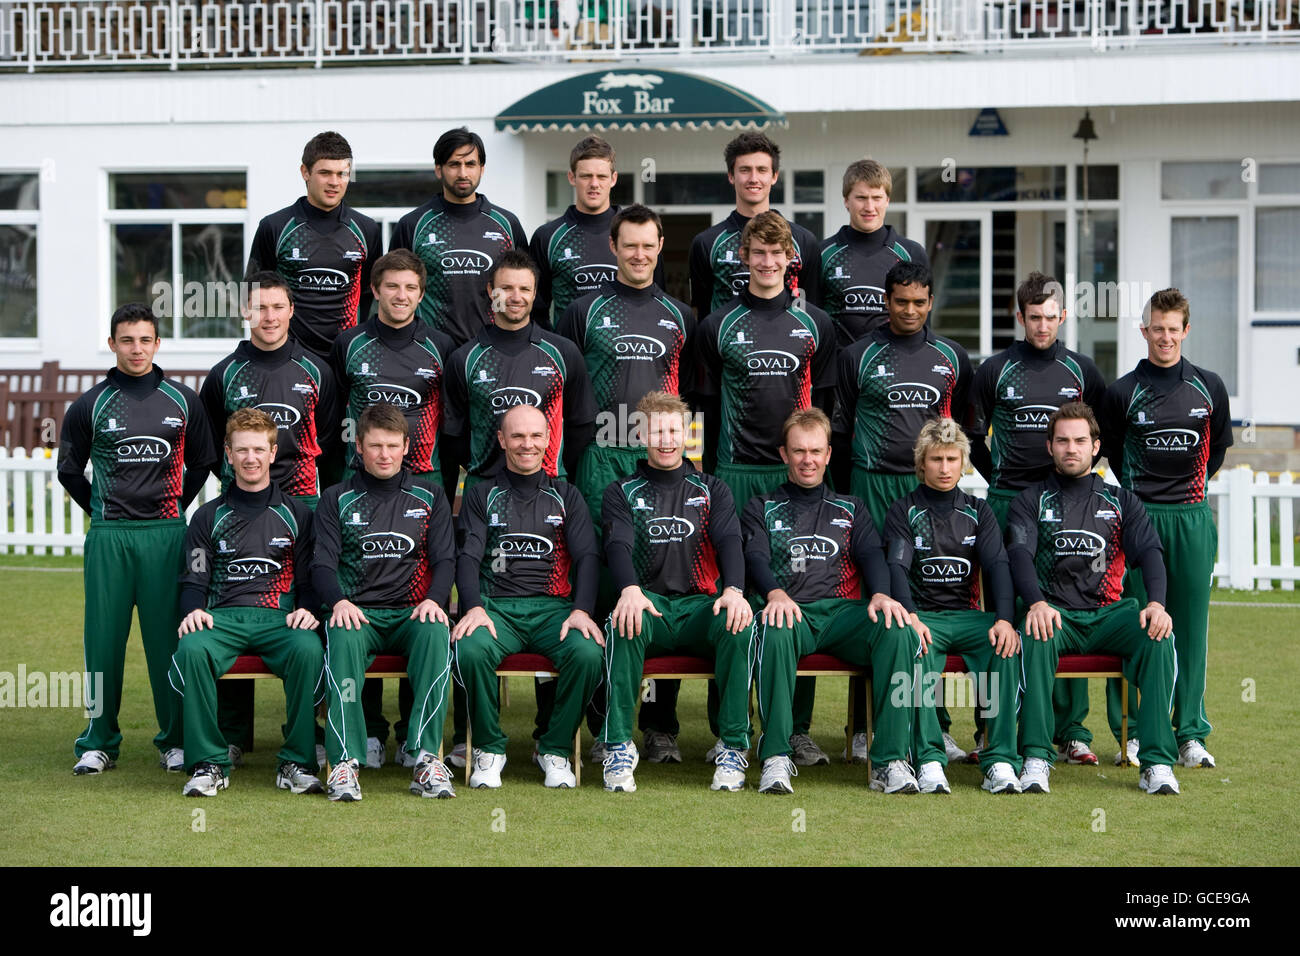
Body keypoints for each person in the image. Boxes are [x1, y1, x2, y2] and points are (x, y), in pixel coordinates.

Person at [553, 204, 696, 763]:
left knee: (663, 582)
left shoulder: (681, 315)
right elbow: (563, 391)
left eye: (649, 245)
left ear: (661, 247)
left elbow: (692, 400)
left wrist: (689, 460)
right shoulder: (582, 311)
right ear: (612, 247)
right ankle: (598, 726)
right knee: (603, 582)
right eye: (629, 245)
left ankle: (660, 725)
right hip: (600, 461)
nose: (639, 254)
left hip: (660, 459)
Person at [695, 210, 837, 767]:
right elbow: (704, 406)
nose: (769, 262)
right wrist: (705, 473)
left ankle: (796, 729)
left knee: (795, 594)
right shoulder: (718, 325)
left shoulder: (815, 324)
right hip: (734, 468)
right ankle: (725, 726)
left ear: (790, 260)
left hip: (795, 473)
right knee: (731, 595)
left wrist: (822, 469)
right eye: (759, 252)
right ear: (745, 257)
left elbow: (823, 410)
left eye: (778, 254)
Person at [59, 303, 218, 775]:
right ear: (112, 344)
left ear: (157, 343)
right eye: (127, 340)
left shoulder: (183, 400)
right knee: (103, 641)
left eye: (145, 339)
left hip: (166, 535)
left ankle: (174, 740)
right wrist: (103, 513)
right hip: (110, 537)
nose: (136, 348)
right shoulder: (90, 404)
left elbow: (204, 461)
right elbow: (69, 470)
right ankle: (98, 740)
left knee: (168, 641)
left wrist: (174, 506)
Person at [832, 261, 972, 764]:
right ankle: (865, 727)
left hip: (926, 490)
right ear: (886, 301)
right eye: (900, 301)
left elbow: (960, 430)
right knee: (876, 606)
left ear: (930, 302)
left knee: (930, 604)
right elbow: (842, 433)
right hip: (871, 487)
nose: (909, 310)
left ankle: (938, 725)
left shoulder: (952, 357)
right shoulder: (857, 355)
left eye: (919, 302)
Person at [965, 270, 1106, 766]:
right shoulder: (994, 369)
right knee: (1000, 613)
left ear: (1062, 316)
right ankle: (990, 727)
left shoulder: (1082, 370)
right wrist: (998, 476)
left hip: (1066, 504)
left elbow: (1097, 435)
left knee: (1068, 604)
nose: (1042, 326)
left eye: (1050, 317)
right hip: (1007, 502)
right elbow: (972, 433)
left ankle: (1072, 732)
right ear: (1019, 316)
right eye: (1033, 318)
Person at [200, 271, 340, 766]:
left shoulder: (318, 370)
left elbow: (328, 439)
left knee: (306, 610)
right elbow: (211, 440)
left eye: (277, 307)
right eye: (260, 308)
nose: (269, 317)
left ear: (290, 310)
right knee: (235, 597)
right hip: (238, 501)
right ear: (246, 312)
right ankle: (234, 734)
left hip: (300, 499)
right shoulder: (223, 375)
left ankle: (309, 730)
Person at [744, 408, 923, 795]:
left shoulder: (851, 508)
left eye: (815, 451)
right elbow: (755, 558)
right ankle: (775, 755)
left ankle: (889, 760)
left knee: (897, 631)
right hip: (791, 613)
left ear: (828, 454)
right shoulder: (761, 507)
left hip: (842, 614)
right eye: (798, 451)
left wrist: (879, 594)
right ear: (783, 455)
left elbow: (873, 555)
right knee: (773, 627)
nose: (807, 459)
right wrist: (774, 593)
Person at [1007, 402, 1181, 795]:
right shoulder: (1029, 501)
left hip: (1108, 617)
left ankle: (1156, 763)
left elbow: (1150, 554)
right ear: (1049, 446)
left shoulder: (1122, 502)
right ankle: (1035, 757)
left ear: (1096, 446)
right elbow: (1019, 556)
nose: (1072, 448)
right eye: (1063, 440)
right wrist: (1035, 602)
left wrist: (1156, 604)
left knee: (1159, 636)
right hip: (1055, 616)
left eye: (1080, 440)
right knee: (1033, 633)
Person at [329, 249, 457, 769]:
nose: (400, 295)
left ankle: (413, 736)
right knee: (364, 591)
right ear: (375, 291)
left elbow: (451, 423)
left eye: (410, 287)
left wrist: (444, 482)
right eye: (391, 286)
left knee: (418, 604)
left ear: (420, 293)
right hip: (361, 478)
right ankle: (371, 732)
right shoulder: (348, 344)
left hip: (423, 479)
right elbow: (332, 413)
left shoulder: (441, 346)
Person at [1099, 288, 1232, 770]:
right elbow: (1111, 452)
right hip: (1137, 515)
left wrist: (1184, 492)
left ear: (1186, 331)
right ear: (1145, 330)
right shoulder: (1121, 392)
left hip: (1191, 516)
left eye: (1174, 329)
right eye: (1157, 328)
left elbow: (1215, 452)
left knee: (1190, 629)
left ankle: (1190, 732)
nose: (1165, 338)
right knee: (1136, 622)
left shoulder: (1209, 387)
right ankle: (1133, 732)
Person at [599, 392, 753, 792]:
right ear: (640, 434)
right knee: (622, 621)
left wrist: (734, 590)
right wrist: (630, 590)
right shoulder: (622, 492)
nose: (666, 440)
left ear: (687, 434)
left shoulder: (711, 490)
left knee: (738, 623)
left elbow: (730, 541)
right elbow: (617, 546)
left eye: (674, 430)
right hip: (650, 608)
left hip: (700, 607)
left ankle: (733, 748)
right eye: (657, 431)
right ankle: (617, 746)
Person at [168, 409, 324, 797]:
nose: (250, 458)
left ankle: (296, 760)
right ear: (228, 454)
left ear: (273, 453)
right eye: (242, 450)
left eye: (258, 449)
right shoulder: (207, 517)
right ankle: (209, 762)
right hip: (223, 618)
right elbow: (194, 577)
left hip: (279, 618)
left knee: (308, 648)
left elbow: (308, 577)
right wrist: (192, 611)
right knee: (191, 648)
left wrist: (307, 607)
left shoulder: (298, 515)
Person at [451, 405, 605, 789]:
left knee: (587, 653)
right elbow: (467, 555)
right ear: (502, 440)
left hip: (553, 609)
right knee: (469, 649)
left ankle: (554, 748)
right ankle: (489, 748)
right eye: (517, 436)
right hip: (497, 609)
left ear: (548, 439)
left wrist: (583, 610)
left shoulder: (566, 496)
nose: (527, 444)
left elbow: (588, 556)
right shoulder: (481, 493)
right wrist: (472, 607)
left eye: (536, 436)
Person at [314, 404, 458, 801]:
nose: (384, 454)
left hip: (412, 611)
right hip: (359, 613)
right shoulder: (335, 498)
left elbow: (446, 558)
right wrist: (339, 602)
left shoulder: (430, 496)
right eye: (375, 445)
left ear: (407, 446)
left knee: (435, 629)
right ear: (358, 446)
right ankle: (344, 763)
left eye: (393, 445)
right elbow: (322, 564)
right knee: (340, 637)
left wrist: (435, 599)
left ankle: (425, 758)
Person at [883, 417, 1023, 794]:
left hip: (968, 618)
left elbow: (997, 567)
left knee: (1007, 646)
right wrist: (910, 616)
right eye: (936, 460)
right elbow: (896, 568)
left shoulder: (979, 511)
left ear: (964, 462)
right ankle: (929, 759)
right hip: (924, 616)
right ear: (921, 463)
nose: (944, 468)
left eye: (951, 459)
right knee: (914, 648)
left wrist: (1005, 620)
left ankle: (1001, 761)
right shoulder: (903, 510)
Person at [443, 250, 596, 491]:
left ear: (535, 293)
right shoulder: (464, 358)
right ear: (491, 291)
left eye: (524, 289)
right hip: (485, 487)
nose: (516, 297)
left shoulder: (564, 353)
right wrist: (487, 468)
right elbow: (453, 435)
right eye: (506, 288)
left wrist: (553, 467)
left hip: (549, 486)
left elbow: (582, 424)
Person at [246, 131, 381, 360]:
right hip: (289, 358)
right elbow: (252, 293)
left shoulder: (366, 230)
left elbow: (375, 295)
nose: (334, 182)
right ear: (305, 172)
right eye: (325, 173)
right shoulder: (275, 227)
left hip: (347, 358)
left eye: (342, 174)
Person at [389, 126, 528, 349]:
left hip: (493, 350)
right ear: (438, 169)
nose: (463, 173)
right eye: (454, 164)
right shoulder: (413, 225)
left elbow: (522, 288)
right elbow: (395, 289)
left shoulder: (507, 225)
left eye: (470, 164)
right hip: (429, 352)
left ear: (482, 169)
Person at [530, 136, 665, 328]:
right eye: (586, 176)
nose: (594, 184)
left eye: (601, 176)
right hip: (570, 354)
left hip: (628, 350)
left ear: (613, 179)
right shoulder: (548, 237)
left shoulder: (639, 234)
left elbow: (656, 300)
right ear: (572, 178)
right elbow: (536, 310)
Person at [689, 132, 821, 321]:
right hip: (727, 347)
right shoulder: (706, 243)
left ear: (774, 176)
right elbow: (701, 313)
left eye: (761, 170)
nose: (753, 178)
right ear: (731, 176)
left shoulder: (803, 241)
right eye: (745, 170)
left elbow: (812, 310)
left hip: (789, 347)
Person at [819, 159, 928, 346]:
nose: (869, 207)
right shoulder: (823, 254)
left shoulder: (911, 253)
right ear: (846, 201)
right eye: (861, 198)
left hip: (892, 368)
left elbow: (923, 323)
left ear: (887, 200)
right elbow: (811, 318)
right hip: (837, 369)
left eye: (876, 198)